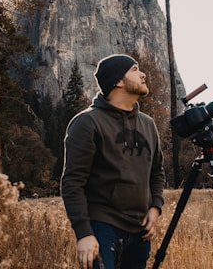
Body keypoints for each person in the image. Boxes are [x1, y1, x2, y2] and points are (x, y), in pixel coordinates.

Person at [61, 54, 166, 269]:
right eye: (135, 69)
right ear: (118, 81)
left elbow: (157, 172)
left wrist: (155, 208)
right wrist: (84, 234)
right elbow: (73, 182)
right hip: (102, 228)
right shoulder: (87, 122)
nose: (143, 74)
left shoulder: (148, 124)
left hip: (140, 232)